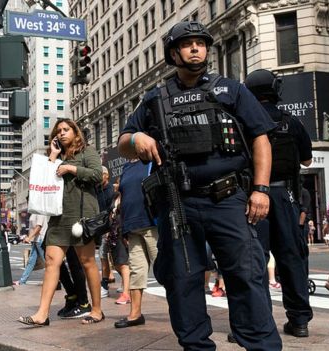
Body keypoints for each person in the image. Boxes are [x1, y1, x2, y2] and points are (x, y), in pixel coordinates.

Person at [118, 21, 282, 350]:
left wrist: (261, 190)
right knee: (182, 281)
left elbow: (260, 138)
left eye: (200, 43)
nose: (196, 48)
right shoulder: (155, 98)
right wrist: (137, 137)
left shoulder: (231, 90)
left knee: (246, 277)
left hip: (228, 200)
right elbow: (123, 143)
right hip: (178, 205)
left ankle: (262, 346)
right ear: (173, 53)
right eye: (187, 43)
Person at [244, 68, 313, 337]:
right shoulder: (291, 122)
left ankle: (259, 322)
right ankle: (299, 321)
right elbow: (307, 160)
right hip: (286, 196)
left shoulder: (244, 122)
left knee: (255, 260)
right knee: (292, 257)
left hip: (254, 196)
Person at [18, 119, 105, 326]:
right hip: (58, 217)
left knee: (87, 262)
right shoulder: (55, 157)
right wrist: (53, 157)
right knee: (51, 261)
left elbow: (96, 175)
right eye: (59, 131)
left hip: (81, 216)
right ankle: (42, 314)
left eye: (66, 130)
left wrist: (72, 170)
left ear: (76, 132)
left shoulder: (86, 152)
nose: (62, 133)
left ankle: (97, 310)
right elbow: (43, 182)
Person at [114, 159, 158, 328]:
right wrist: (124, 228)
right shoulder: (126, 167)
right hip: (132, 227)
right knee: (136, 272)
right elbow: (124, 198)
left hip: (152, 224)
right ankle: (135, 314)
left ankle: (181, 311)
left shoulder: (151, 161)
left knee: (166, 269)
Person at [107, 179, 131, 305]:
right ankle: (130, 287)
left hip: (122, 231)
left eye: (119, 182)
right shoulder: (115, 197)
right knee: (116, 263)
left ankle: (126, 293)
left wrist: (127, 234)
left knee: (123, 263)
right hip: (113, 233)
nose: (117, 184)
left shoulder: (127, 197)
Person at [97, 166, 116, 297]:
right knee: (103, 256)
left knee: (119, 260)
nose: (99, 177)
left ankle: (124, 285)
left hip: (111, 228)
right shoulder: (97, 189)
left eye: (102, 174)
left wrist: (110, 228)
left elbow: (111, 210)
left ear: (107, 175)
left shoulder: (111, 190)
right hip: (101, 227)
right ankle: (105, 283)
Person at [14, 213, 48, 285]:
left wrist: (29, 237)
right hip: (35, 240)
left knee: (48, 262)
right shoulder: (34, 212)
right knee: (31, 262)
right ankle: (22, 281)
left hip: (40, 240)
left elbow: (38, 227)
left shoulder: (40, 212)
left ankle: (55, 281)